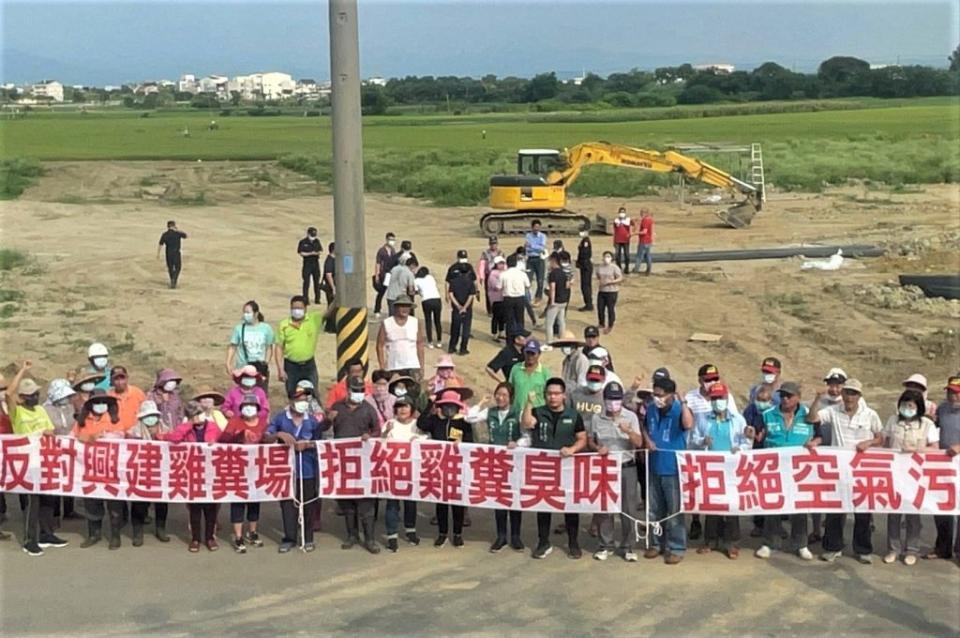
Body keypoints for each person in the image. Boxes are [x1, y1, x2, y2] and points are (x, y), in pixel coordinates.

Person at [806, 378, 883, 563]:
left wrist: (869, 442)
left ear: (859, 396)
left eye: (854, 393)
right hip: (838, 469)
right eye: (847, 392)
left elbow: (881, 437)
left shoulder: (870, 414)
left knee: (862, 512)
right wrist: (817, 399)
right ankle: (833, 547)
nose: (850, 396)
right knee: (835, 511)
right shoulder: (832, 411)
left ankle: (863, 549)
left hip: (862, 470)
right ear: (842, 393)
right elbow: (812, 418)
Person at [6, 361, 68, 556]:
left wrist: (47, 432)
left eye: (36, 394)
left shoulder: (41, 410)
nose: (35, 397)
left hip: (46, 460)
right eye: (30, 395)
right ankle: (29, 539)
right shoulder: (17, 412)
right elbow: (9, 394)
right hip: (27, 463)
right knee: (32, 502)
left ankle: (46, 533)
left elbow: (50, 429)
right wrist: (23, 371)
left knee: (49, 499)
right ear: (23, 397)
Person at [522, 377, 587, 559]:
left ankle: (573, 542)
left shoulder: (574, 415)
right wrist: (528, 402)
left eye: (557, 394)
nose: (553, 397)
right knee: (543, 505)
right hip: (543, 468)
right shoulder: (538, 411)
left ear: (564, 396)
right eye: (549, 394)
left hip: (567, 467)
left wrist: (572, 449)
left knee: (570, 506)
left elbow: (582, 438)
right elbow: (527, 423)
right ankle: (543, 542)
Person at [754, 382, 815, 561]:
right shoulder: (767, 414)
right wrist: (752, 434)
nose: (785, 399)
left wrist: (816, 442)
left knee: (799, 506)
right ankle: (770, 542)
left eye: (789, 396)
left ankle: (801, 543)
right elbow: (758, 438)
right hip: (774, 467)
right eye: (783, 396)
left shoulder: (808, 415)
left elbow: (819, 435)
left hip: (799, 469)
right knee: (773, 504)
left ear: (798, 397)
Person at [589, 382, 643, 562]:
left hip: (627, 466)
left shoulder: (631, 416)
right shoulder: (597, 418)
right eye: (610, 399)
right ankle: (606, 544)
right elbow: (591, 440)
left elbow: (639, 443)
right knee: (605, 507)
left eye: (617, 399)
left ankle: (628, 546)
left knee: (628, 508)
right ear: (604, 400)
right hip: (605, 467)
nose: (614, 403)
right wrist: (598, 447)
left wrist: (628, 432)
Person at [882, 389, 937, 566]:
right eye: (905, 405)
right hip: (894, 472)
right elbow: (884, 442)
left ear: (919, 407)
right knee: (894, 512)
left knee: (913, 513)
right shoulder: (892, 420)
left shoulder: (926, 424)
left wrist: (916, 450)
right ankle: (893, 549)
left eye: (911, 405)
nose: (907, 408)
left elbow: (935, 448)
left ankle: (912, 549)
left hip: (916, 474)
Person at [265, 386, 323, 553]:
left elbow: (321, 443)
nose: (302, 403)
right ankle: (289, 537)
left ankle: (308, 537)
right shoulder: (281, 419)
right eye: (299, 400)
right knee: (288, 504)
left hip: (308, 468)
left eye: (305, 400)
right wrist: (278, 435)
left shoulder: (312, 420)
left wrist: (308, 444)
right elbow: (266, 438)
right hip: (286, 469)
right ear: (291, 401)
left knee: (308, 504)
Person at [328, 377, 382, 553]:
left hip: (363, 461)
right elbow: (323, 427)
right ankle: (352, 535)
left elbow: (377, 431)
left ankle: (370, 539)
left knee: (365, 502)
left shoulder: (368, 409)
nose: (358, 394)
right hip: (342, 460)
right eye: (355, 390)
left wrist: (370, 436)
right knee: (347, 502)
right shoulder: (337, 407)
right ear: (348, 390)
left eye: (361, 390)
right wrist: (328, 419)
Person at [643, 377, 694, 564]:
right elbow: (645, 428)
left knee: (674, 512)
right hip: (654, 465)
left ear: (671, 395)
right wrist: (647, 440)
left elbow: (688, 425)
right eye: (655, 394)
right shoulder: (651, 409)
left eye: (661, 395)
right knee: (654, 510)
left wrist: (684, 402)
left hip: (673, 468)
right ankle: (656, 544)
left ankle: (677, 547)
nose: (657, 398)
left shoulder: (679, 410)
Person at [72, 389, 127, 550]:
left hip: (111, 470)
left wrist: (103, 436)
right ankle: (93, 534)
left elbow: (121, 437)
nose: (101, 405)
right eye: (97, 402)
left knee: (114, 506)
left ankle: (115, 536)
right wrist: (85, 438)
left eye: (104, 402)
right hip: (89, 470)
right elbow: (72, 438)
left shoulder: (114, 419)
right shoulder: (82, 421)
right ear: (90, 404)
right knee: (92, 504)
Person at [419, 390, 475, 548]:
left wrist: (462, 443)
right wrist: (430, 404)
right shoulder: (435, 421)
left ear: (458, 408)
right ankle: (442, 533)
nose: (449, 409)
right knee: (441, 503)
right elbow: (420, 424)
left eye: (452, 406)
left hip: (457, 468)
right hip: (439, 468)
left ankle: (457, 534)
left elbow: (471, 443)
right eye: (445, 406)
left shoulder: (464, 423)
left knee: (458, 503)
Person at [164, 401, 221, 552]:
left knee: (210, 508)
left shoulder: (213, 427)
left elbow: (221, 441)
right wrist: (187, 425)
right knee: (195, 508)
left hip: (210, 471)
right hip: (192, 472)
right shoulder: (187, 429)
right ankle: (195, 538)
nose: (198, 417)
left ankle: (210, 537)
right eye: (194, 415)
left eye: (200, 413)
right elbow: (174, 438)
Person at [217, 393, 268, 553]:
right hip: (238, 467)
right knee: (238, 500)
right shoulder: (235, 422)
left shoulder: (263, 423)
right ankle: (238, 536)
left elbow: (269, 439)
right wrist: (238, 434)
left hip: (257, 467)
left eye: (252, 406)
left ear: (258, 408)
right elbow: (223, 440)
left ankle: (252, 531)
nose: (249, 409)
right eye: (246, 406)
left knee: (255, 500)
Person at [381, 396, 426, 552]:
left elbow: (428, 441)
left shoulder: (417, 425)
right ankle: (392, 535)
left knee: (410, 502)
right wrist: (385, 433)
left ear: (411, 409)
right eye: (399, 406)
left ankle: (410, 530)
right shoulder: (390, 424)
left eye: (405, 406)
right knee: (392, 504)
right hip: (392, 471)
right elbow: (379, 444)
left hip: (411, 470)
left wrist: (418, 439)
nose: (402, 409)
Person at [126, 400, 171, 543]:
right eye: (147, 416)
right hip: (140, 472)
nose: (151, 419)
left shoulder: (167, 429)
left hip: (161, 471)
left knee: (162, 502)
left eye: (153, 415)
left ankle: (160, 529)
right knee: (139, 502)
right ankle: (137, 532)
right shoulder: (133, 432)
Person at [930, 375, 960, 560]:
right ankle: (943, 548)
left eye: (956, 393)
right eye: (950, 392)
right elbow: (935, 429)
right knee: (941, 506)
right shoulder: (942, 408)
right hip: (943, 464)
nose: (952, 396)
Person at [276, 295, 322, 398]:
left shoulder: (314, 319)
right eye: (294, 308)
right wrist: (280, 369)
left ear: (305, 308)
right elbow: (279, 347)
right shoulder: (284, 325)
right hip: (291, 366)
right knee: (293, 394)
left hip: (309, 365)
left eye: (299, 308)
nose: (297, 311)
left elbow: (329, 312)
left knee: (313, 394)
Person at [226, 300, 275, 391]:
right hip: (243, 367)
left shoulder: (266, 328)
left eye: (248, 312)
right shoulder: (239, 329)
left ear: (256, 314)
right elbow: (233, 347)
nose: (245, 315)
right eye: (244, 312)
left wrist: (266, 363)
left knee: (260, 394)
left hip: (260, 368)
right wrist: (228, 363)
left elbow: (269, 347)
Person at [376, 295, 424, 376]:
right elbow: (379, 346)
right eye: (402, 306)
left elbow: (420, 345)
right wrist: (382, 366)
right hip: (393, 367)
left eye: (407, 306)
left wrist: (422, 366)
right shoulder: (387, 323)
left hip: (413, 366)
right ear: (396, 307)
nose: (405, 309)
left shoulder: (415, 322)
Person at [507, 339, 551, 415]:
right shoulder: (515, 369)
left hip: (537, 415)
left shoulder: (545, 373)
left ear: (539, 354)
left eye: (533, 353)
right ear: (524, 352)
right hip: (517, 413)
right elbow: (510, 392)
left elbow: (548, 395)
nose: (530, 356)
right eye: (528, 353)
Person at [447, 264, 477, 355]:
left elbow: (451, 295)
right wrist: (464, 307)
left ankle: (452, 347)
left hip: (456, 309)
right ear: (468, 272)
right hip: (467, 309)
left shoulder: (454, 281)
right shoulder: (470, 282)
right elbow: (471, 296)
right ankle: (463, 349)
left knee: (455, 328)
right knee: (466, 329)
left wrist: (458, 306)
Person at [146, 368, 184, 434]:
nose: (172, 383)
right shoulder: (152, 395)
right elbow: (149, 413)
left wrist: (179, 429)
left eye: (174, 380)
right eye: (170, 380)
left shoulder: (176, 397)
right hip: (158, 432)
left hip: (175, 431)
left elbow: (180, 414)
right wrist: (162, 402)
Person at [108, 366, 146, 432]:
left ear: (127, 378)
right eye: (116, 379)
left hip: (136, 434)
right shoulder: (108, 397)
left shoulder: (138, 393)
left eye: (122, 378)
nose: (120, 382)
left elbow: (146, 414)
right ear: (112, 381)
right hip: (115, 434)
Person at [544, 253, 570, 347]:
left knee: (549, 323)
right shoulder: (563, 272)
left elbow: (553, 288)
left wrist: (552, 301)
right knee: (561, 321)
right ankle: (562, 338)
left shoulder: (553, 273)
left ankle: (549, 342)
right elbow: (567, 285)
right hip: (563, 300)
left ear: (553, 261)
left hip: (556, 301)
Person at [595, 251, 623, 334]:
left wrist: (611, 282)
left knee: (610, 309)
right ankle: (601, 323)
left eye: (608, 256)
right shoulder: (600, 267)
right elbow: (598, 276)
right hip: (602, 291)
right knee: (600, 308)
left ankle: (610, 325)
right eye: (605, 256)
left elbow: (620, 278)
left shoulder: (614, 267)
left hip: (612, 291)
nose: (606, 258)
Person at [415, 266, 443, 349]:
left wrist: (420, 292)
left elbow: (416, 291)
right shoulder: (430, 277)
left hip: (426, 300)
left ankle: (430, 342)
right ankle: (439, 341)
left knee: (428, 321)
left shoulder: (416, 280)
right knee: (437, 321)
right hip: (437, 299)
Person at [500, 254, 530, 330]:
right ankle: (520, 336)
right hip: (519, 298)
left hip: (508, 299)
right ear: (516, 263)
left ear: (507, 264)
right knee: (520, 319)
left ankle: (509, 340)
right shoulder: (522, 274)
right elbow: (528, 285)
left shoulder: (503, 274)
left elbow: (499, 287)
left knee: (509, 320)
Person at [157, 220, 187, 289]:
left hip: (168, 253)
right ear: (174, 226)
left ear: (167, 226)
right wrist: (178, 230)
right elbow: (186, 236)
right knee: (178, 267)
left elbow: (160, 244)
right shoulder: (177, 233)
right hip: (176, 253)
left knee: (170, 268)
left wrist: (158, 254)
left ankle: (172, 280)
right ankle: (174, 279)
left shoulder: (165, 234)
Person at [373, 232, 397, 318]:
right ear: (386, 240)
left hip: (391, 274)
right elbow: (378, 263)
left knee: (392, 292)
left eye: (393, 240)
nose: (392, 241)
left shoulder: (393, 250)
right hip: (384, 274)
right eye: (391, 239)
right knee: (381, 292)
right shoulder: (381, 251)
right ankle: (377, 309)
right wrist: (377, 274)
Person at [298, 226, 323, 304]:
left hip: (315, 264)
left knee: (316, 282)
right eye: (312, 235)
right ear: (308, 234)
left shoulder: (317, 241)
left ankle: (317, 299)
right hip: (307, 264)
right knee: (306, 282)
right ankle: (305, 299)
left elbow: (320, 251)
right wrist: (310, 253)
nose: (313, 237)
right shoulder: (303, 242)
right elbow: (301, 253)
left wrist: (316, 253)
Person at [477, 235, 502, 315]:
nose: (493, 245)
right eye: (492, 244)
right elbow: (482, 265)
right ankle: (490, 310)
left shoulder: (500, 253)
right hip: (488, 275)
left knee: (499, 291)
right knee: (488, 292)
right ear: (489, 244)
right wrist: (481, 276)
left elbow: (503, 264)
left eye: (494, 244)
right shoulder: (485, 253)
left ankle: (498, 308)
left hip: (498, 275)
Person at [524, 219, 548, 302]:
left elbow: (542, 249)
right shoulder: (528, 236)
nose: (536, 229)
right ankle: (527, 298)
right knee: (528, 279)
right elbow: (527, 249)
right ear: (532, 227)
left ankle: (538, 297)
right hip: (530, 260)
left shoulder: (543, 236)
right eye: (535, 227)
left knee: (540, 280)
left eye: (538, 227)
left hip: (539, 259)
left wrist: (532, 246)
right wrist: (536, 247)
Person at [486, 256, 507, 341]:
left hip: (503, 297)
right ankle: (494, 334)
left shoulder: (505, 272)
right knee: (496, 317)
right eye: (499, 263)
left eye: (502, 263)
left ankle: (501, 332)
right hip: (495, 298)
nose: (501, 265)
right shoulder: (493, 274)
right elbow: (496, 286)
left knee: (503, 316)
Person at [575, 230, 594, 311]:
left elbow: (584, 253)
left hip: (585, 265)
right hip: (584, 265)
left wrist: (579, 262)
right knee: (585, 286)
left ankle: (588, 304)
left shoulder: (586, 241)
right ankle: (588, 303)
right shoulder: (583, 240)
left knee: (585, 286)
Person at [634, 208, 654, 276]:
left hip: (643, 241)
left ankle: (636, 270)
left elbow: (644, 232)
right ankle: (648, 270)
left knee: (639, 256)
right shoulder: (650, 220)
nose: (640, 214)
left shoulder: (645, 220)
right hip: (648, 241)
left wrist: (635, 233)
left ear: (644, 213)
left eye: (641, 213)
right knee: (648, 256)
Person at [612, 207, 631, 273]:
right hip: (618, 240)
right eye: (620, 212)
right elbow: (615, 231)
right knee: (617, 255)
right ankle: (619, 267)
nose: (622, 213)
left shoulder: (628, 220)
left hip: (626, 240)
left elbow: (635, 224)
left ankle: (627, 268)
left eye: (623, 212)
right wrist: (614, 241)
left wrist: (632, 233)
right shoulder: (616, 220)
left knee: (627, 255)